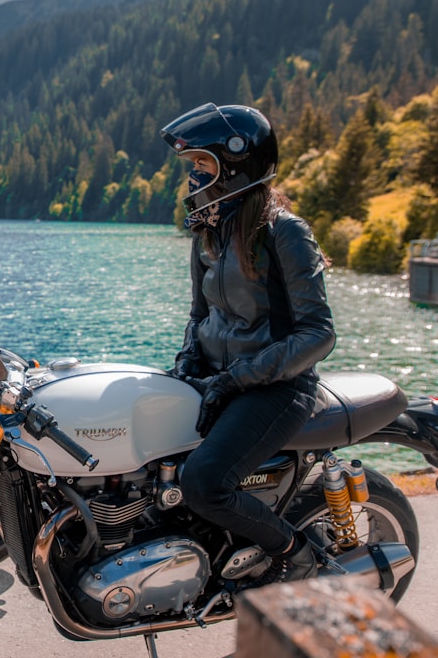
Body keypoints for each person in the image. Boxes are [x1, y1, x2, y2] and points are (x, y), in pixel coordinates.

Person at [160, 102, 336, 587]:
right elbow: (200, 316)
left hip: (277, 387)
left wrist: (236, 378)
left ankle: (295, 551)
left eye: (202, 163)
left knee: (203, 482)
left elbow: (318, 333)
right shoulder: (209, 232)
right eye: (192, 165)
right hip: (221, 381)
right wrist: (187, 363)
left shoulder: (285, 232)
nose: (193, 176)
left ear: (235, 164)